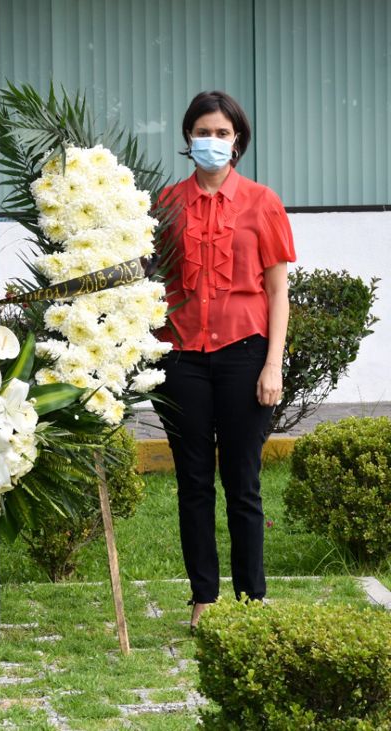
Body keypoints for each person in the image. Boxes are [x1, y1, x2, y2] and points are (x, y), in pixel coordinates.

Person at [153, 91, 296, 632]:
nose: (211, 141)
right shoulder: (165, 203)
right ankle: (204, 598)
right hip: (182, 358)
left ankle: (251, 599)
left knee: (243, 481)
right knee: (192, 481)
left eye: (222, 132)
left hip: (245, 356)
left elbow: (278, 291)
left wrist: (272, 365)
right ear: (188, 138)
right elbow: (149, 282)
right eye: (202, 132)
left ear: (238, 139)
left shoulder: (263, 202)